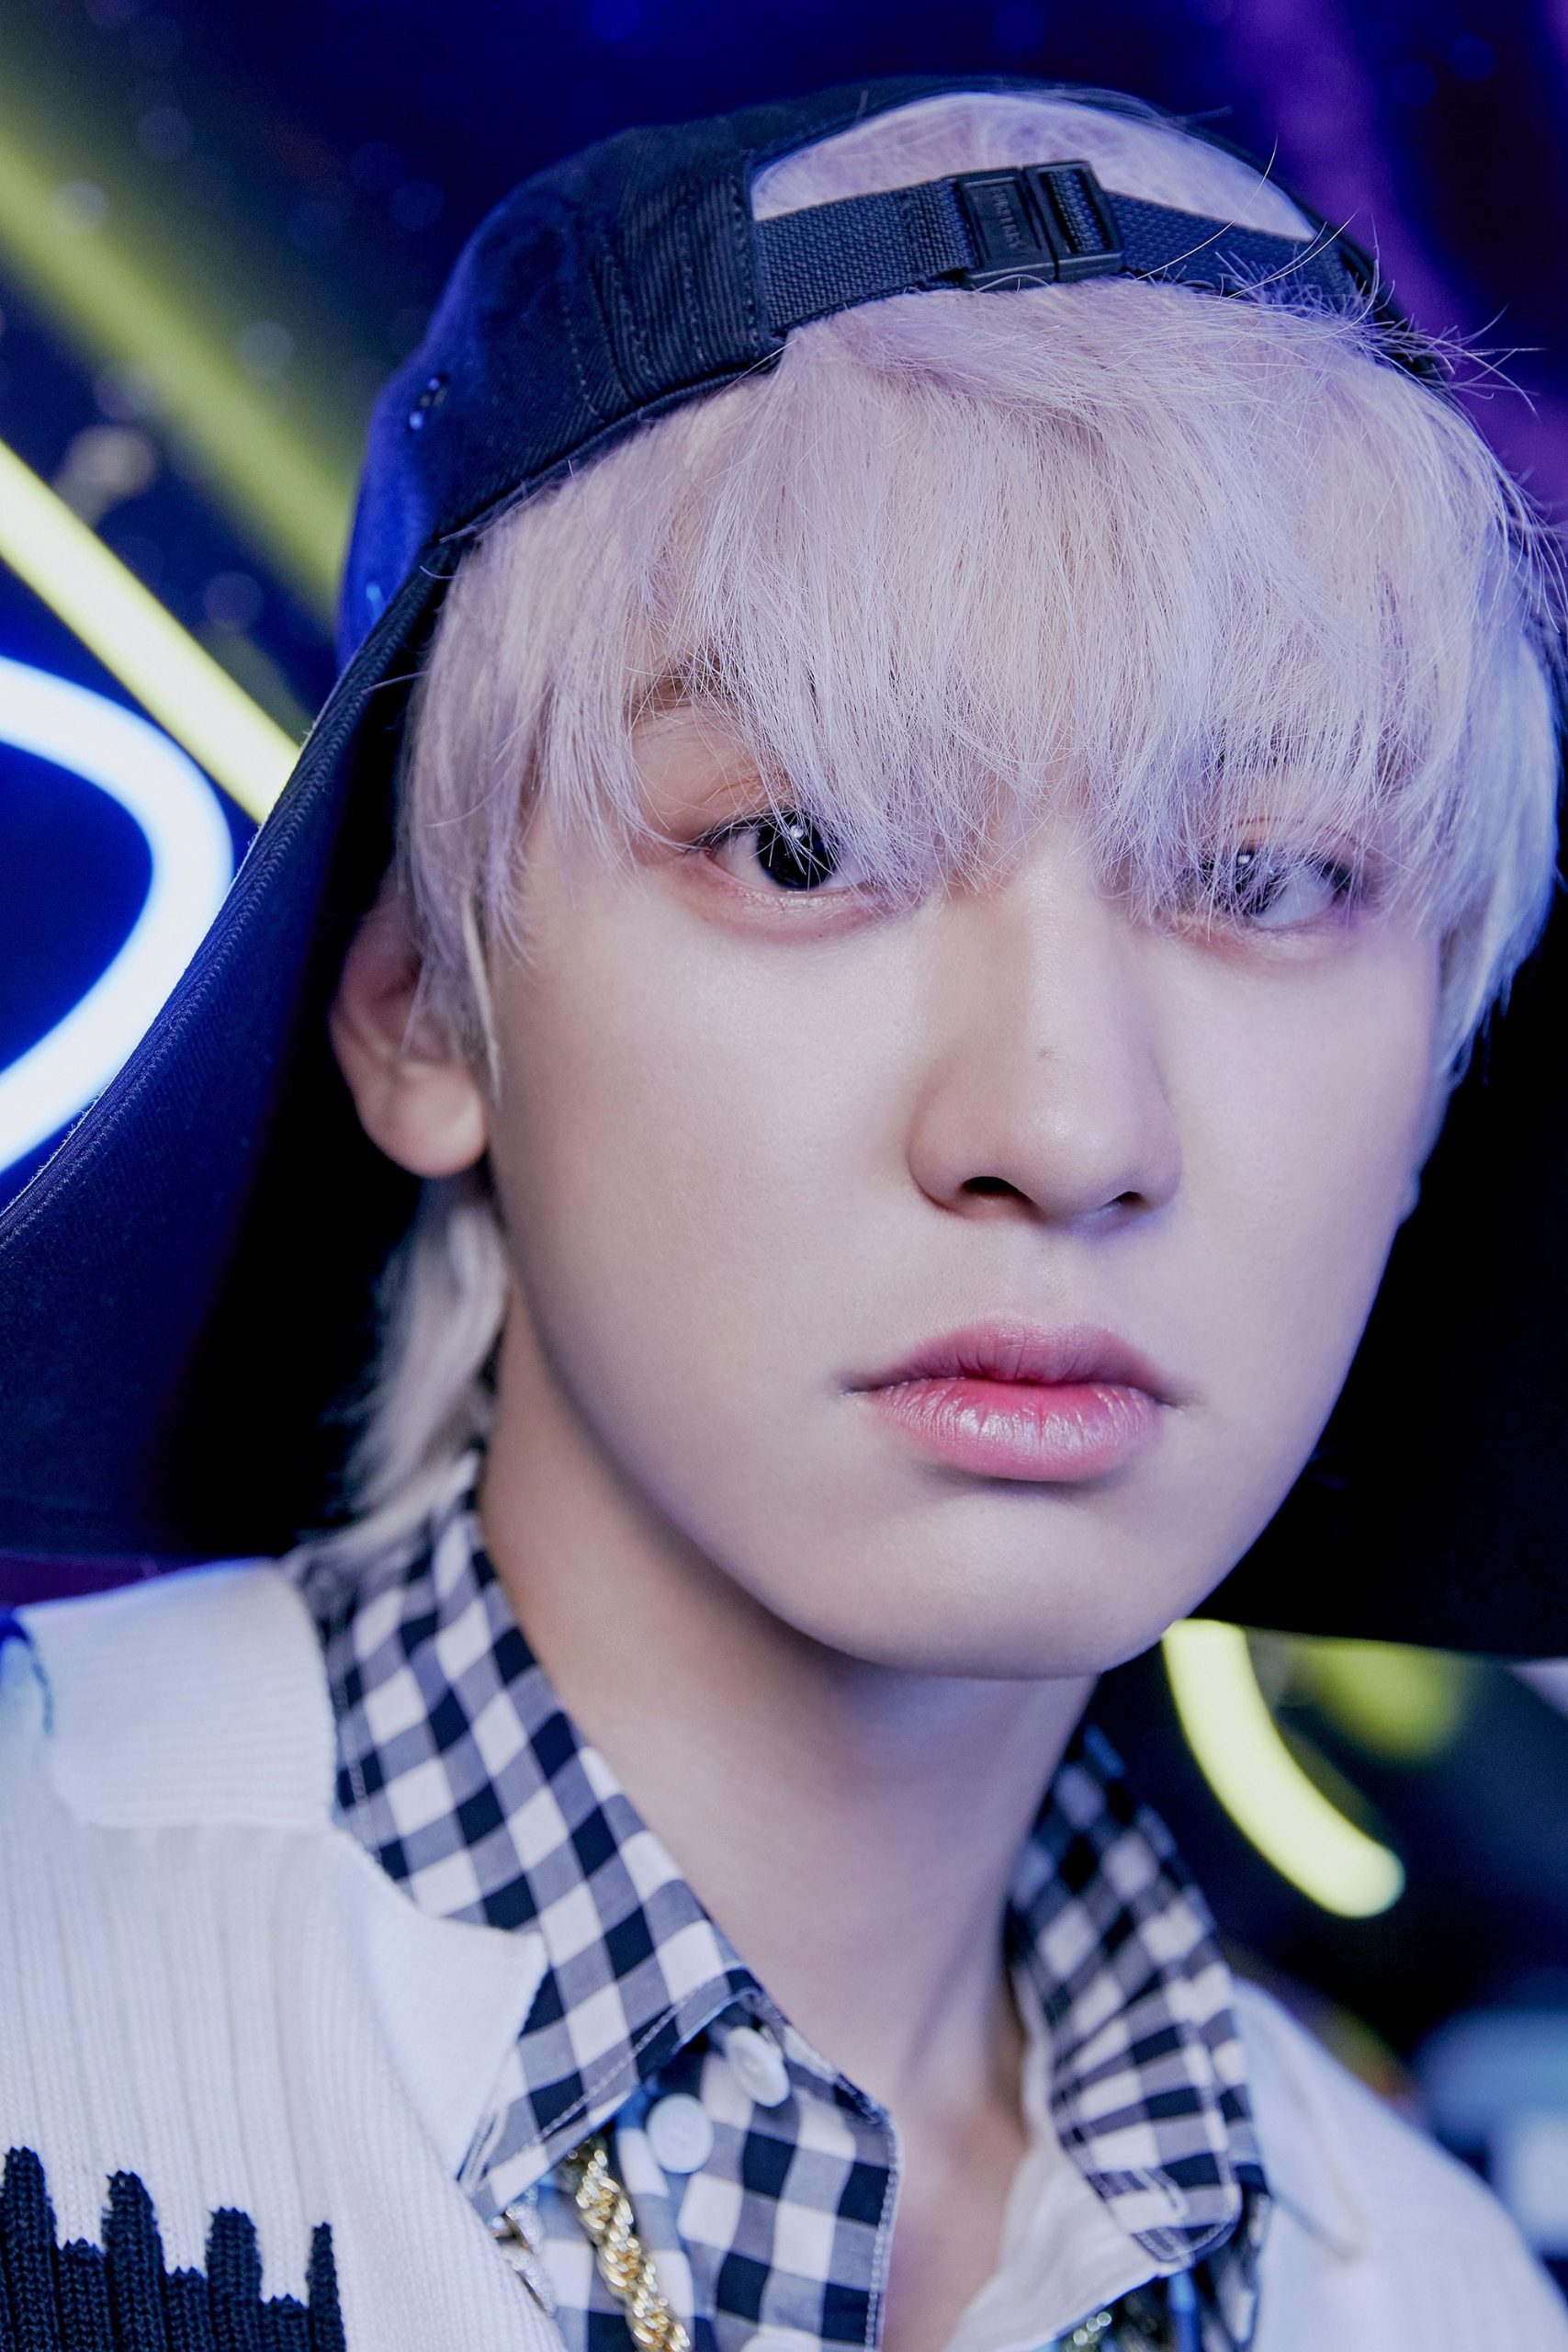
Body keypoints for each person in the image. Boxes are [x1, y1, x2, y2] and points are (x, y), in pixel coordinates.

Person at [0, 70, 1565, 2352]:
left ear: (1434, 1067)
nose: (1061, 1120)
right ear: (425, 1002)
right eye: (802, 843)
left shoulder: (1439, 2299)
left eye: (1262, 875)